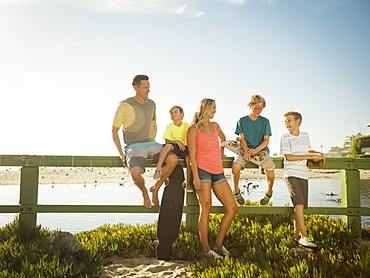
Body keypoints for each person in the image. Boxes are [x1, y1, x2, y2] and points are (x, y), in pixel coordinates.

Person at [112, 75, 178, 208]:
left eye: (149, 87)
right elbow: (114, 131)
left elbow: (154, 125)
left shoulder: (151, 104)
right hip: (134, 146)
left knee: (173, 160)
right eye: (145, 88)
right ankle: (145, 193)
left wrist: (153, 141)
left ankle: (155, 188)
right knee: (135, 174)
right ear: (135, 88)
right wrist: (121, 153)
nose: (148, 90)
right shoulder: (124, 105)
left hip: (152, 144)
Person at [187, 98, 238, 259]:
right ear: (205, 108)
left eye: (215, 108)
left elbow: (224, 140)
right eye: (213, 108)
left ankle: (218, 244)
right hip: (202, 172)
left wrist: (222, 149)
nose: (215, 111)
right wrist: (195, 177)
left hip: (218, 171)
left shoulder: (215, 126)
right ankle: (205, 249)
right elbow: (192, 156)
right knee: (206, 208)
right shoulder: (193, 129)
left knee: (232, 208)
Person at [280, 111, 324, 247]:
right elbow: (289, 157)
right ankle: (304, 236)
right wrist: (307, 156)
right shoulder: (285, 137)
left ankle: (295, 234)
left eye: (289, 121)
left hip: (304, 174)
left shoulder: (305, 136)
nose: (287, 124)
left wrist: (318, 154)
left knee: (300, 206)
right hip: (291, 173)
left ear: (297, 121)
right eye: (285, 121)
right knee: (298, 204)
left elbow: (308, 151)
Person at [231, 95, 275, 206]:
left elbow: (266, 141)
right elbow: (242, 139)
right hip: (244, 150)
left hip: (261, 150)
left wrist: (256, 150)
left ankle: (269, 192)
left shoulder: (265, 122)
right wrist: (246, 151)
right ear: (250, 106)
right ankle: (236, 191)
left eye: (261, 108)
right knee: (235, 167)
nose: (259, 111)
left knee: (270, 170)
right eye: (256, 108)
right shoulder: (242, 120)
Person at [151, 105, 193, 193]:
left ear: (182, 114)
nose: (173, 114)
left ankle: (189, 183)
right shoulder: (169, 126)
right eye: (171, 113)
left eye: (175, 112)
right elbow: (167, 141)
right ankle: (158, 170)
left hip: (184, 148)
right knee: (167, 146)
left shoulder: (187, 126)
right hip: (174, 146)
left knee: (189, 159)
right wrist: (177, 141)